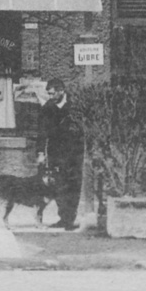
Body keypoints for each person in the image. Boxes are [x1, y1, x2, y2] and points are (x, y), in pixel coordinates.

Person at [36, 77, 83, 230]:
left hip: (75, 152)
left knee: (73, 185)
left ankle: (71, 217)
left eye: (52, 94)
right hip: (56, 152)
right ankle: (64, 218)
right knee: (59, 185)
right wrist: (40, 152)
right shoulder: (47, 108)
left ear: (62, 91)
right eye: (48, 94)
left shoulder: (75, 106)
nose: (50, 97)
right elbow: (41, 132)